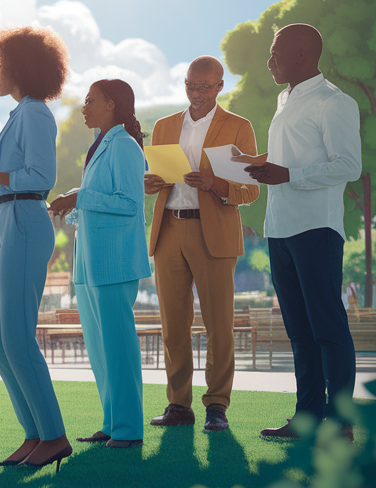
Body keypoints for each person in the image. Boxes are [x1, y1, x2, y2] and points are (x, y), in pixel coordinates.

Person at [243, 24, 362, 439]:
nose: (269, 60)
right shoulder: (285, 100)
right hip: (279, 227)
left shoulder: (334, 103)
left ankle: (341, 422)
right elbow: (285, 158)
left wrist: (287, 173)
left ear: (300, 54)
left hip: (317, 228)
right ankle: (307, 417)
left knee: (328, 328)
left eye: (275, 52)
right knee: (299, 332)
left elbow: (348, 165)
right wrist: (251, 163)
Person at [0, 26, 73, 472]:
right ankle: (34, 434)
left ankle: (54, 436)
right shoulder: (18, 115)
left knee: (18, 337)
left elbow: (39, 178)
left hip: (26, 221)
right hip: (9, 220)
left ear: (20, 68)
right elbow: (8, 182)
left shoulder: (35, 114)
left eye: (0, 64)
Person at [145, 57, 260, 433]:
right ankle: (178, 405)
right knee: (173, 327)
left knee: (218, 326)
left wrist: (216, 185)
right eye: (190, 86)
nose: (196, 94)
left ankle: (217, 406)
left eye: (204, 87)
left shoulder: (238, 127)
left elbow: (251, 189)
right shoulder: (164, 126)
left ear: (220, 87)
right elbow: (155, 178)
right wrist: (150, 183)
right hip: (169, 231)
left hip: (214, 234)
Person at [50, 80, 148, 449]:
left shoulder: (124, 145)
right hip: (90, 263)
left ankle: (128, 429)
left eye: (90, 101)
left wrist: (80, 195)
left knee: (118, 347)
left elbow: (129, 204)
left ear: (110, 104)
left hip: (114, 262)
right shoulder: (101, 145)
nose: (84, 107)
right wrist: (73, 205)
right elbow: (100, 203)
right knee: (100, 347)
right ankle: (111, 422)